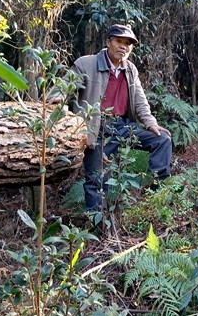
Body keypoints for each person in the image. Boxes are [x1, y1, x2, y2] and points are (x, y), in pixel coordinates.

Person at [71, 24, 172, 213]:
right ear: (108, 42)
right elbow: (64, 90)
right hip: (96, 128)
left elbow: (140, 100)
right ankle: (97, 227)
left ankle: (155, 196)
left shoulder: (130, 69)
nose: (123, 47)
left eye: (128, 44)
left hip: (123, 126)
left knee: (162, 140)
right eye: (118, 41)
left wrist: (151, 123)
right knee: (97, 180)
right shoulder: (86, 64)